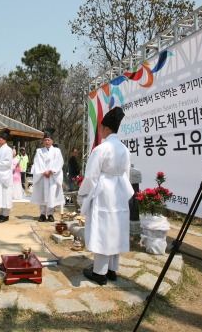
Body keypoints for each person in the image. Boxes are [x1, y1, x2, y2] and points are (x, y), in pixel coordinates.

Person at [79, 107, 134, 286]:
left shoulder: (101, 149)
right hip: (119, 189)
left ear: (107, 129)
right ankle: (112, 270)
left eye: (101, 128)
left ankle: (99, 272)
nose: (100, 131)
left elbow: (91, 175)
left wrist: (83, 193)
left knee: (103, 228)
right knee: (115, 228)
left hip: (104, 191)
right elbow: (127, 172)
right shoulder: (125, 149)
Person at [29, 128, 64, 222]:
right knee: (42, 194)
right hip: (43, 176)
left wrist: (51, 171)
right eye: (45, 140)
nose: (47, 142)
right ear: (43, 141)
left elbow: (59, 162)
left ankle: (51, 213)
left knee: (51, 195)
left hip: (52, 176)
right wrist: (44, 171)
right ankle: (42, 214)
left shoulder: (57, 151)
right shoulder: (39, 151)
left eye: (49, 140)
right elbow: (38, 162)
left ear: (52, 141)